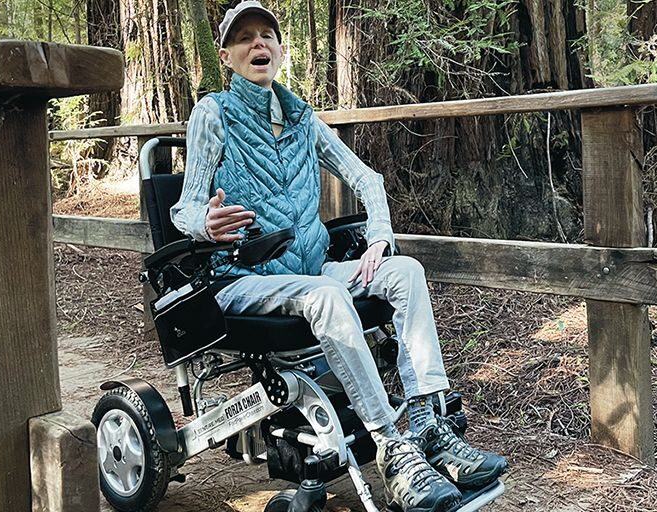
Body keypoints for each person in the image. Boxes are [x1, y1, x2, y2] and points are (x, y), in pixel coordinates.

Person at [170, 1, 507, 510]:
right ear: (227, 55)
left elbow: (367, 180)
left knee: (405, 272)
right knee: (327, 292)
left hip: (309, 272)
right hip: (241, 277)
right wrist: (206, 222)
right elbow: (185, 207)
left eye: (267, 35)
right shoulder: (212, 113)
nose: (258, 44)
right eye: (245, 38)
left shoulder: (304, 119)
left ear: (281, 50)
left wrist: (378, 239)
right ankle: (393, 450)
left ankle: (428, 427)